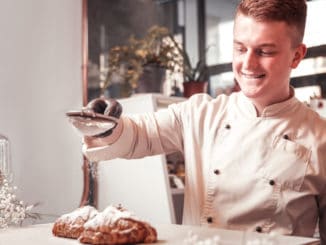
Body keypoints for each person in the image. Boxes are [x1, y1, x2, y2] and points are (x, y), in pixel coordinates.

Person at [79, 0, 326, 242]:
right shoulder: (200, 114)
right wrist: (107, 124)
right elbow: (138, 134)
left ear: (296, 56)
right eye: (240, 48)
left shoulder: (320, 137)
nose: (248, 63)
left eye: (264, 51)